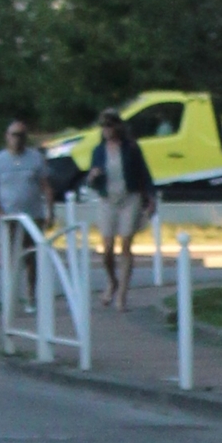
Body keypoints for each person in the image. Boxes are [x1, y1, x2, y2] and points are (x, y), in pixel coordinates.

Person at [84, 108, 155, 312]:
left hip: (129, 198)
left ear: (118, 126)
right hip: (108, 200)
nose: (107, 129)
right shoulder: (98, 151)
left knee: (125, 244)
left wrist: (150, 197)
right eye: (103, 125)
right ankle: (112, 281)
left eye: (110, 124)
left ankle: (122, 294)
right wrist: (93, 176)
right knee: (106, 248)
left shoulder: (131, 148)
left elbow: (143, 174)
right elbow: (91, 180)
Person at [0, 119, 51, 306]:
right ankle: (11, 297)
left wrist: (50, 212)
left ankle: (31, 295)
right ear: (7, 137)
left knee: (32, 258)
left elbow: (46, 186)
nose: (18, 139)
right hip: (10, 217)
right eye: (14, 135)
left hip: (33, 216)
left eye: (21, 135)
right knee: (11, 259)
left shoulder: (35, 158)